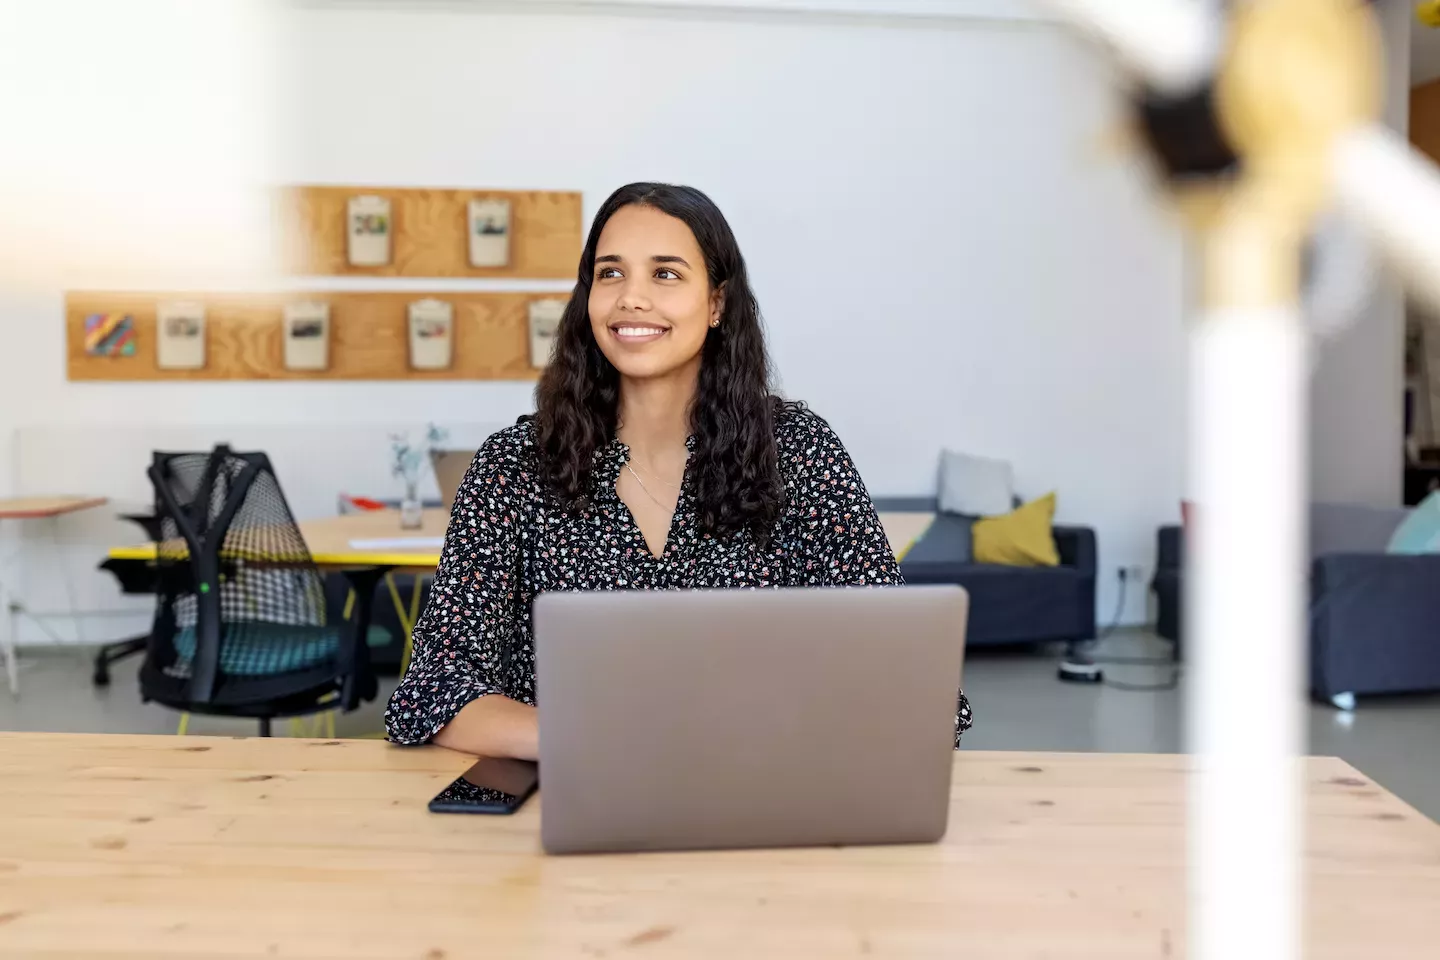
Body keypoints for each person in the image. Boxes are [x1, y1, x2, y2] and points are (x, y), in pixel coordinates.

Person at [384, 182, 973, 756]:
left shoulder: (797, 452)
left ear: (716, 302)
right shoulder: (512, 467)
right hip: (561, 807)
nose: (630, 298)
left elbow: (912, 683)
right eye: (610, 273)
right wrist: (609, 742)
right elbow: (436, 688)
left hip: (761, 796)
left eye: (665, 273)